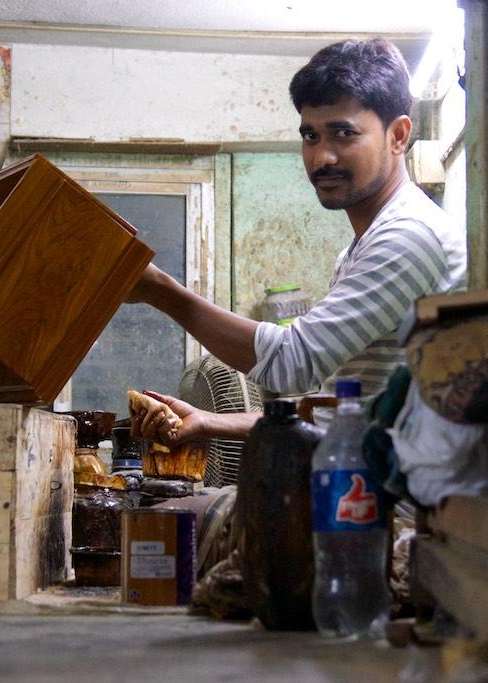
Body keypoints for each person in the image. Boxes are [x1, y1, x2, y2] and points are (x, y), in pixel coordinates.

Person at [127, 37, 466, 443]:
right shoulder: (360, 249)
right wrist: (207, 421)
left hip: (404, 485)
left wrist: (160, 291)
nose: (322, 157)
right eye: (311, 136)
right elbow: (331, 413)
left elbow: (292, 361)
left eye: (343, 133)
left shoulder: (408, 237)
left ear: (398, 135)